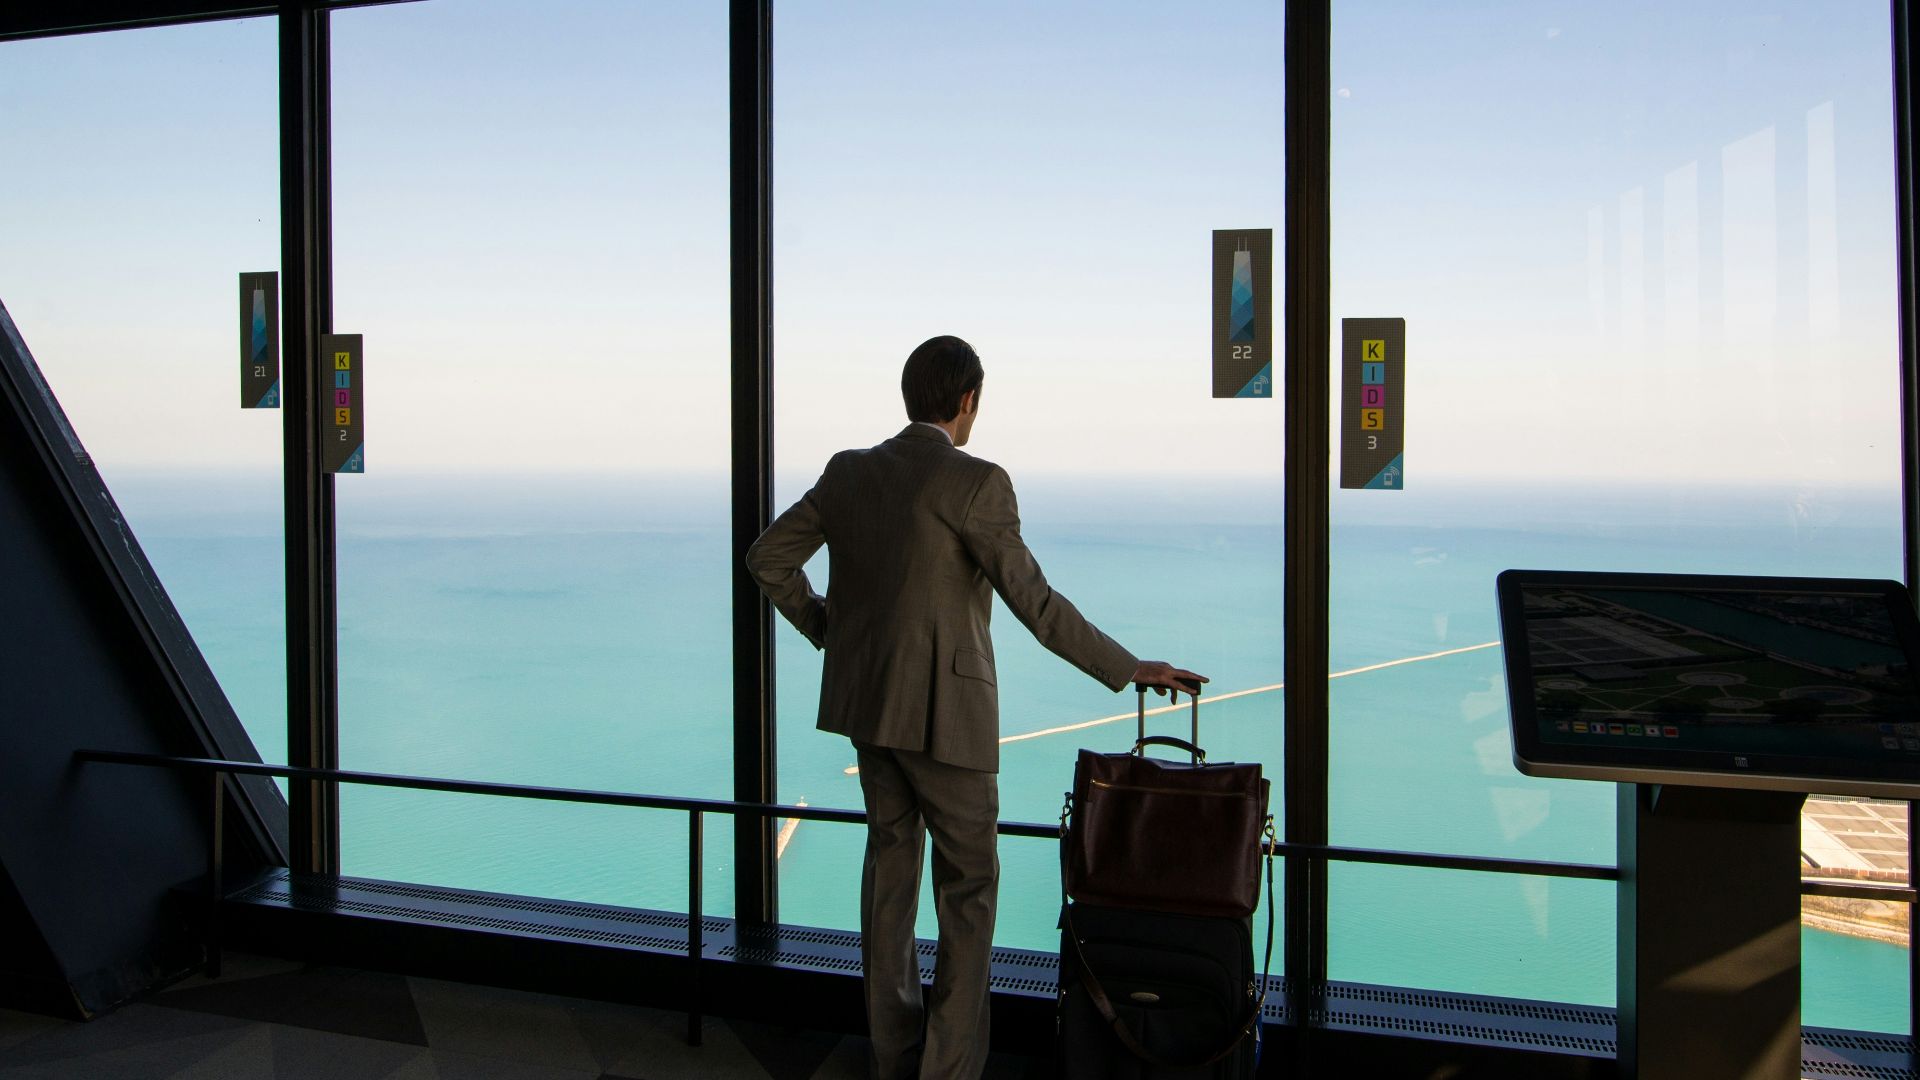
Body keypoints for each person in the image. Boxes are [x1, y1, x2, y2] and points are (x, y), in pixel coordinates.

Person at [746, 334, 1206, 1080]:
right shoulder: (977, 482)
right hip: (946, 725)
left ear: (909, 396)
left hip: (870, 715)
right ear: (967, 402)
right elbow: (1038, 605)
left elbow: (767, 559)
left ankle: (893, 1058)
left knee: (889, 885)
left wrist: (832, 630)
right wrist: (1129, 669)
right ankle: (948, 1071)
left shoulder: (848, 472)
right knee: (968, 892)